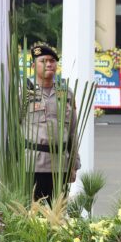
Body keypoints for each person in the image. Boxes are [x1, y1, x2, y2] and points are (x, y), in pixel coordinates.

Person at [23, 43, 80, 202]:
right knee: (32, 215)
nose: (49, 64)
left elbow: (73, 131)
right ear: (34, 66)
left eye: (52, 61)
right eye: (44, 61)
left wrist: (73, 165)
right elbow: (13, 128)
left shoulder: (66, 93)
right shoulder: (24, 93)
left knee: (57, 215)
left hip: (59, 164)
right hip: (32, 164)